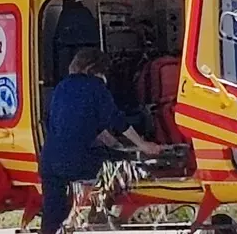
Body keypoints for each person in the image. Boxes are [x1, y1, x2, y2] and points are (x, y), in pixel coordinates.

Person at [40, 47, 161, 234]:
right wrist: (143, 145)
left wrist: (114, 144)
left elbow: (83, 124)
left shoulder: (61, 87)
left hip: (50, 161)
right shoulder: (95, 87)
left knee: (52, 216)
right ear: (94, 69)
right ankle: (99, 212)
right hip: (79, 160)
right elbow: (116, 120)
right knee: (120, 168)